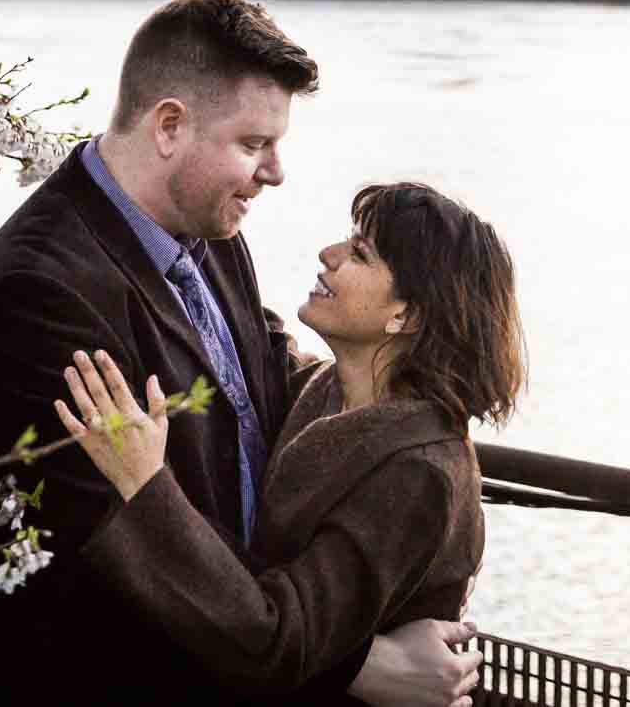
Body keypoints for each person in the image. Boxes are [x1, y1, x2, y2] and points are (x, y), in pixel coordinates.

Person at [0, 0, 482, 706]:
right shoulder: (40, 299)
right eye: (254, 143)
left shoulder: (209, 232)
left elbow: (260, 382)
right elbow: (122, 578)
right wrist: (355, 665)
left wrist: (416, 403)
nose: (276, 172)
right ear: (169, 126)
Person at [56, 182, 525, 705]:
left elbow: (281, 643)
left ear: (405, 316)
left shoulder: (418, 471)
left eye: (360, 254)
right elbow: (233, 330)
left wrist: (146, 486)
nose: (329, 254)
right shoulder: (323, 390)